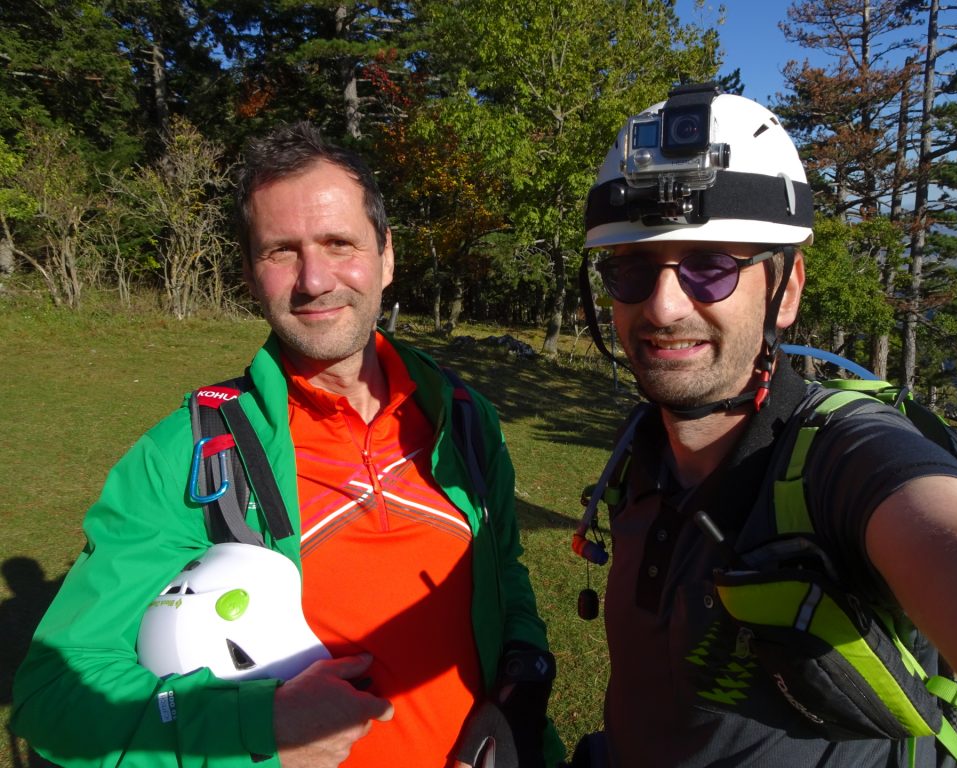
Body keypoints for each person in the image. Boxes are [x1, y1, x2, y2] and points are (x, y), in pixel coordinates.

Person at [12, 121, 563, 768]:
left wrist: (521, 684)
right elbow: (53, 697)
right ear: (250, 274)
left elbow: (506, 578)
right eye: (281, 251)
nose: (315, 278)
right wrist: (256, 729)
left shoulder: (466, 421)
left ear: (387, 254)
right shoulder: (186, 455)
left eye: (339, 242)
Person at [573, 85, 957, 766]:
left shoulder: (843, 460)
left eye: (710, 267)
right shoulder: (642, 452)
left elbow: (956, 549)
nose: (663, 307)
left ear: (787, 290)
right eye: (630, 269)